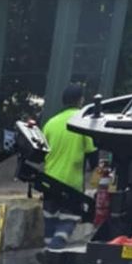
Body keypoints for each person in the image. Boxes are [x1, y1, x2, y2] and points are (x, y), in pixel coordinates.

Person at [40, 83, 95, 247]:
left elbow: (42, 153)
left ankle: (48, 258)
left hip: (49, 182)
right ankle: (55, 248)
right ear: (81, 100)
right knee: (68, 220)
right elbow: (93, 154)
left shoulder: (50, 123)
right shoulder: (83, 122)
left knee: (50, 223)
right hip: (71, 183)